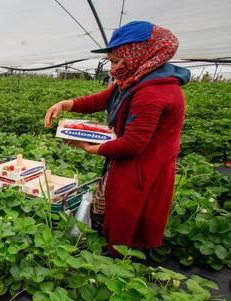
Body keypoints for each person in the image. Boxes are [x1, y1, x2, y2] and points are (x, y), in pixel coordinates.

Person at [44, 21, 190, 254]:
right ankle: (113, 249)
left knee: (129, 214)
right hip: (130, 161)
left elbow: (132, 144)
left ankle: (120, 262)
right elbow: (103, 98)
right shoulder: (137, 79)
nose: (113, 69)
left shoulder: (153, 92)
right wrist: (67, 104)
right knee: (117, 208)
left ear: (138, 54)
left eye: (116, 61)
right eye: (111, 61)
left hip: (143, 166)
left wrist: (91, 148)